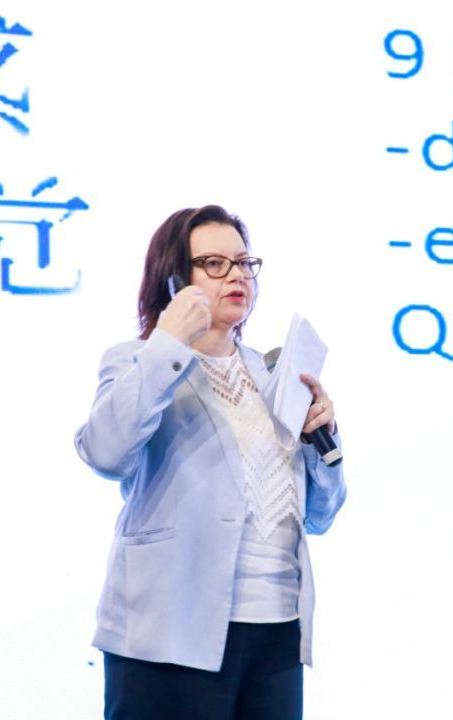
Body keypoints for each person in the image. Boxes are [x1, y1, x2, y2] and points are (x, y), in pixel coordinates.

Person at [74, 204, 346, 720]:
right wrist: (168, 344)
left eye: (244, 263)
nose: (237, 276)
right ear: (175, 279)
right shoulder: (137, 360)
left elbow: (321, 514)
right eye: (215, 264)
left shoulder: (272, 372)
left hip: (277, 629)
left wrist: (325, 439)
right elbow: (104, 452)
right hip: (170, 629)